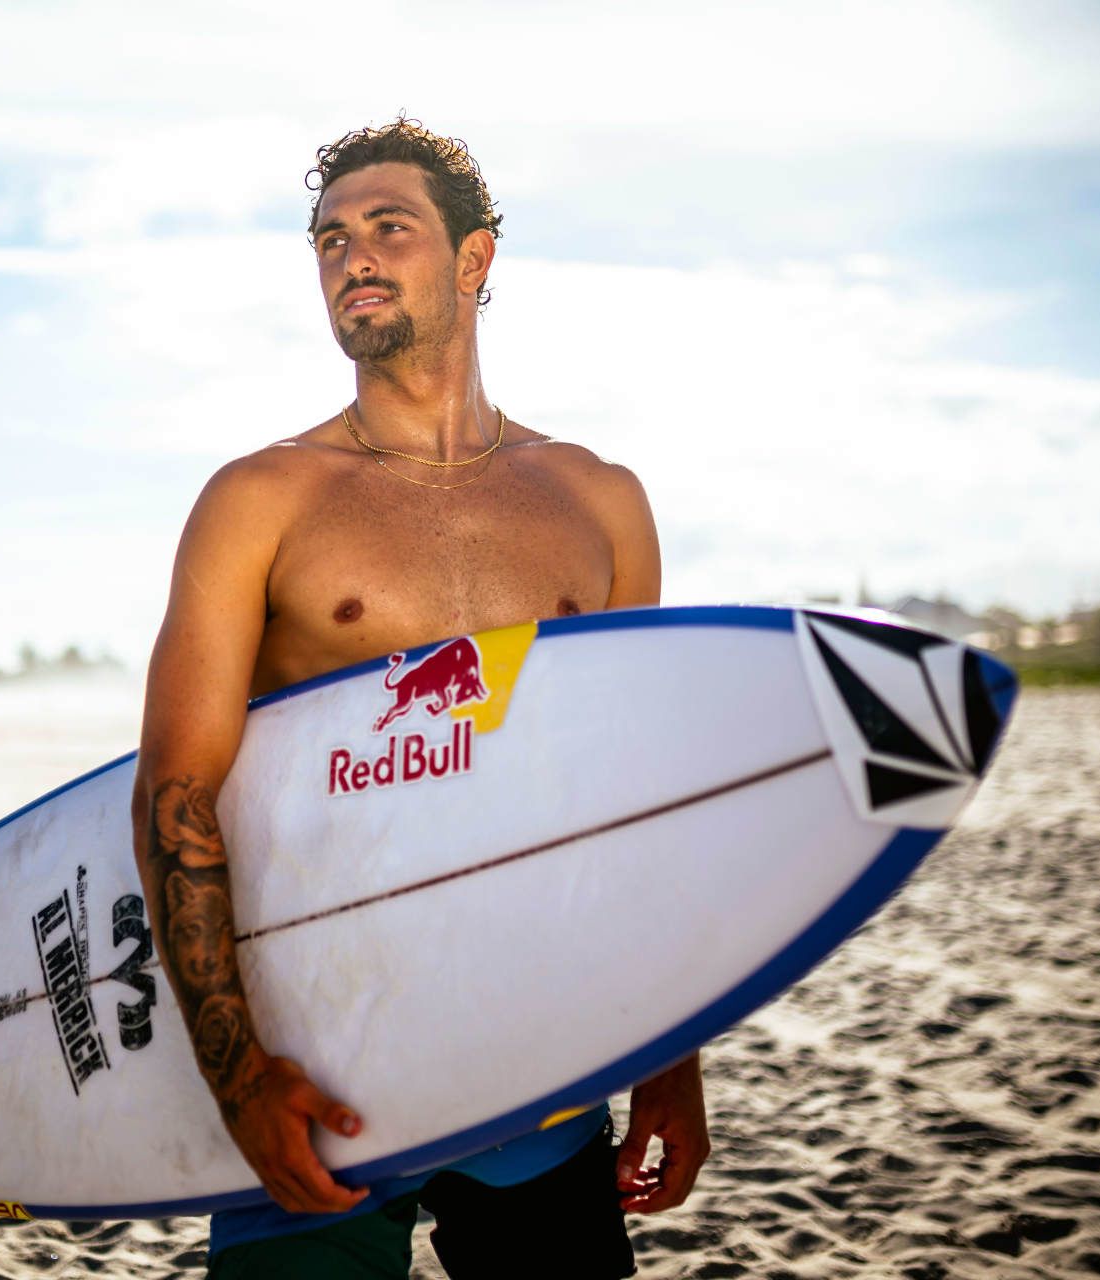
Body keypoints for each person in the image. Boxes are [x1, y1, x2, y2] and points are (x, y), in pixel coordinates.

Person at [130, 118, 709, 1279]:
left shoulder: (601, 504)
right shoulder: (260, 499)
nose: (353, 255)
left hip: (540, 1062)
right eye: (330, 237)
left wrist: (671, 1061)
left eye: (388, 227)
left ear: (474, 260)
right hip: (318, 1066)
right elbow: (176, 796)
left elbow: (630, 793)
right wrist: (241, 1080)